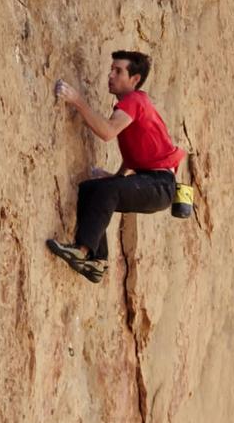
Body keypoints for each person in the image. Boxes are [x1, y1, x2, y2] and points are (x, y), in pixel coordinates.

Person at [47, 50, 185, 283]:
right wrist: (116, 176)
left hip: (161, 185)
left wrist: (77, 101)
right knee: (91, 189)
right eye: (111, 69)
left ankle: (81, 251)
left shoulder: (135, 100)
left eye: (118, 71)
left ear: (135, 80)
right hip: (151, 182)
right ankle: (97, 262)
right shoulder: (130, 105)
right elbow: (137, 153)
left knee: (107, 190)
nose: (110, 75)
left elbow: (107, 133)